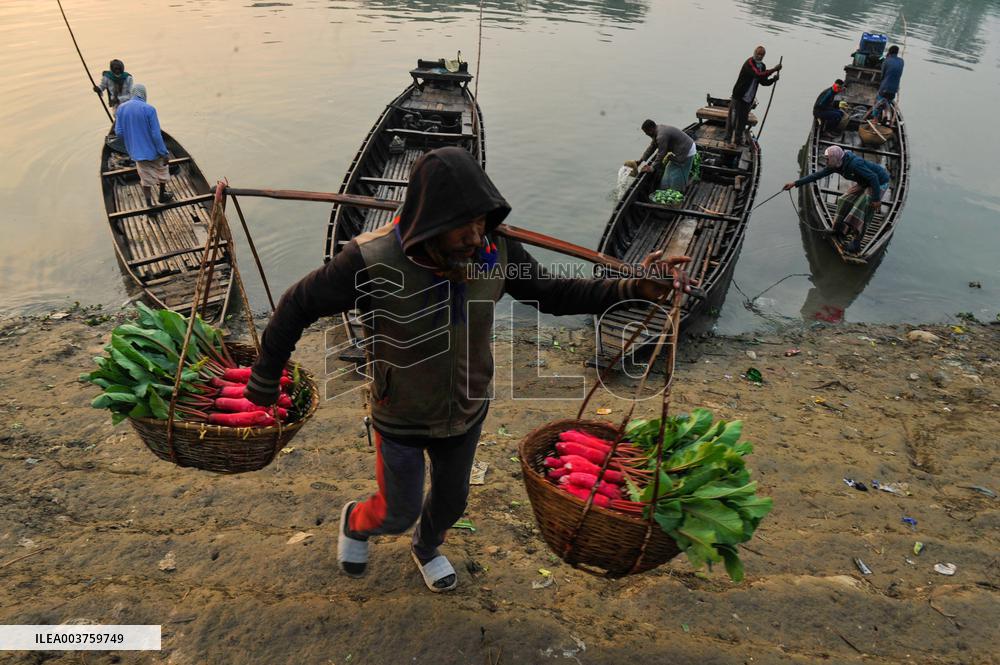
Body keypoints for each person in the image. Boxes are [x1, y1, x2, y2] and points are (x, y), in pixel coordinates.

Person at [244, 147, 691, 593]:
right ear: (431, 222)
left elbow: (554, 294)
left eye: (481, 222)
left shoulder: (497, 249)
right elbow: (297, 304)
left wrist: (633, 287)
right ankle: (356, 522)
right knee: (397, 511)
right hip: (401, 414)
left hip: (467, 407)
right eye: (464, 225)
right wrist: (265, 379)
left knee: (451, 503)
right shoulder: (371, 260)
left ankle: (426, 548)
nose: (476, 237)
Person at [783, 145, 890, 254]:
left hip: (879, 182)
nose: (826, 161)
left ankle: (856, 243)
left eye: (828, 159)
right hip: (865, 182)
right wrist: (795, 184)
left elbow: (873, 177)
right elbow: (816, 175)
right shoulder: (835, 165)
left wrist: (876, 199)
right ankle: (839, 229)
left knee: (862, 208)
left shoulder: (855, 164)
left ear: (835, 158)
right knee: (844, 199)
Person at [114, 84, 175, 207]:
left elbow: (119, 133)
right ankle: (162, 195)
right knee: (162, 170)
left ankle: (149, 204)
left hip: (137, 153)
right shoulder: (149, 109)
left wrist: (131, 144)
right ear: (144, 94)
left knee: (145, 178)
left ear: (132, 93)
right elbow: (156, 134)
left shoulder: (120, 108)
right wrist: (164, 153)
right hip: (154, 151)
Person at [726, 45, 781, 145]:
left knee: (742, 121)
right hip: (739, 95)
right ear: (754, 53)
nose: (759, 56)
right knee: (733, 119)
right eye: (758, 54)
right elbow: (757, 74)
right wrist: (774, 69)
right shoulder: (749, 63)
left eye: (761, 55)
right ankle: (728, 139)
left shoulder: (762, 66)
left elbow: (763, 81)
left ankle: (737, 141)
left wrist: (773, 79)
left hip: (749, 98)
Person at [637, 120, 698, 193]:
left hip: (687, 151)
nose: (646, 134)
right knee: (669, 170)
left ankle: (678, 191)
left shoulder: (661, 135)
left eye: (646, 132)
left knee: (677, 174)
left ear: (651, 129)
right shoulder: (658, 131)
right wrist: (640, 160)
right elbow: (652, 147)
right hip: (681, 150)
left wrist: (652, 167)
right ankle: (667, 189)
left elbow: (661, 153)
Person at [869, 45, 904, 122]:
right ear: (897, 52)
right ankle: (886, 116)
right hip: (894, 89)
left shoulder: (886, 61)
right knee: (888, 102)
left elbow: (882, 75)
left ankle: (875, 119)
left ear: (889, 52)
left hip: (885, 87)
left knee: (878, 102)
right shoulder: (902, 61)